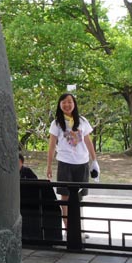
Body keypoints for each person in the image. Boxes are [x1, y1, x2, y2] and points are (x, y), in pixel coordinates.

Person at [46, 93, 99, 232]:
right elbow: (51, 145)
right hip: (65, 163)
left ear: (74, 104)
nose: (67, 105)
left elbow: (88, 141)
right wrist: (49, 166)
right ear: (59, 105)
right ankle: (69, 229)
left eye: (69, 102)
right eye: (63, 102)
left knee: (79, 197)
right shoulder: (56, 123)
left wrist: (94, 161)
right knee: (65, 197)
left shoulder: (82, 121)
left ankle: (79, 228)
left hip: (82, 163)